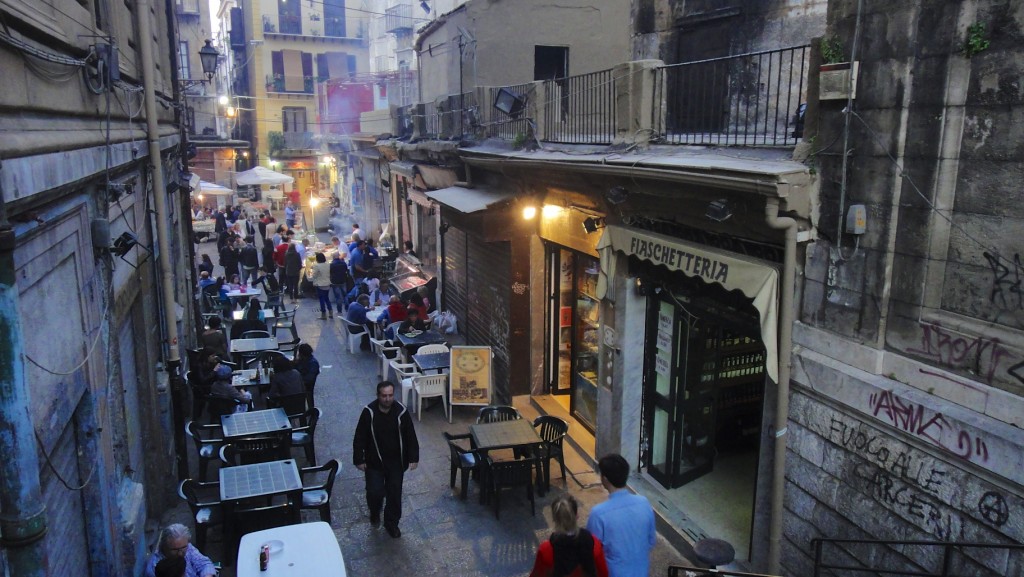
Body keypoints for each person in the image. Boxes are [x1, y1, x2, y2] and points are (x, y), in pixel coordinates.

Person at [352, 381, 419, 538]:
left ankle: (392, 523)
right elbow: (359, 436)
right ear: (378, 396)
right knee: (374, 492)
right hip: (374, 462)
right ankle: (375, 512)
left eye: (390, 395)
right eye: (384, 396)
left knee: (394, 494)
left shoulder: (401, 412)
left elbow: (410, 435)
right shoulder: (369, 412)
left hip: (396, 462)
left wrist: (413, 457)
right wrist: (359, 459)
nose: (388, 399)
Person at [585, 454, 656, 577]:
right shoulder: (644, 503)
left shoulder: (598, 514)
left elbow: (592, 552)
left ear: (605, 479)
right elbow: (651, 541)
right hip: (641, 571)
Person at [530, 494, 609, 577]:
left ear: (555, 519)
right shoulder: (594, 544)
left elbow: (537, 574)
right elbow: (604, 573)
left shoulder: (546, 550)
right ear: (577, 516)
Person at [145, 524, 217, 577]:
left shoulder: (186, 547)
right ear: (164, 547)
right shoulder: (155, 569)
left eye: (183, 547)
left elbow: (204, 563)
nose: (180, 553)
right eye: (175, 550)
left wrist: (207, 575)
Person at [310, 252, 333, 319]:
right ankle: (330, 311)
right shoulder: (328, 264)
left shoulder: (316, 266)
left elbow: (314, 275)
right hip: (327, 283)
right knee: (326, 298)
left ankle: (323, 314)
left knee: (321, 299)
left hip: (320, 284)